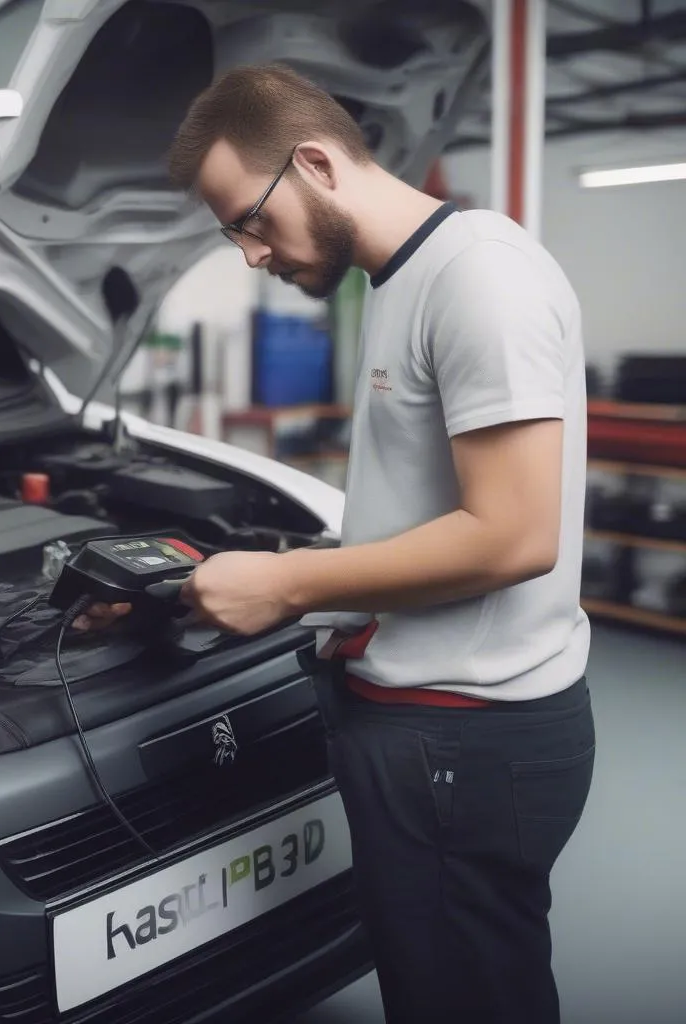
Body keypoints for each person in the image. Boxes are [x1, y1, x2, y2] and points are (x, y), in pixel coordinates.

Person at [75, 64, 596, 1024]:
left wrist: (288, 584)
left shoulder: (480, 276)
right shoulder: (404, 275)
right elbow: (420, 516)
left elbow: (517, 533)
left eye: (250, 220)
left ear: (314, 162)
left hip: (464, 739)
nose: (249, 254)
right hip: (430, 729)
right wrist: (201, 584)